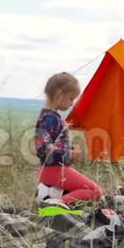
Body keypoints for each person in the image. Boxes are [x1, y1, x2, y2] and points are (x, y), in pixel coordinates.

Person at [34, 72, 103, 208]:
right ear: (60, 94)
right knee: (95, 191)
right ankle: (53, 207)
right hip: (54, 170)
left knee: (86, 192)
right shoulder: (50, 119)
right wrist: (68, 154)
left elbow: (54, 145)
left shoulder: (50, 117)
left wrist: (70, 152)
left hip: (54, 169)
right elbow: (43, 149)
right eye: (71, 98)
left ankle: (60, 208)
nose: (72, 104)